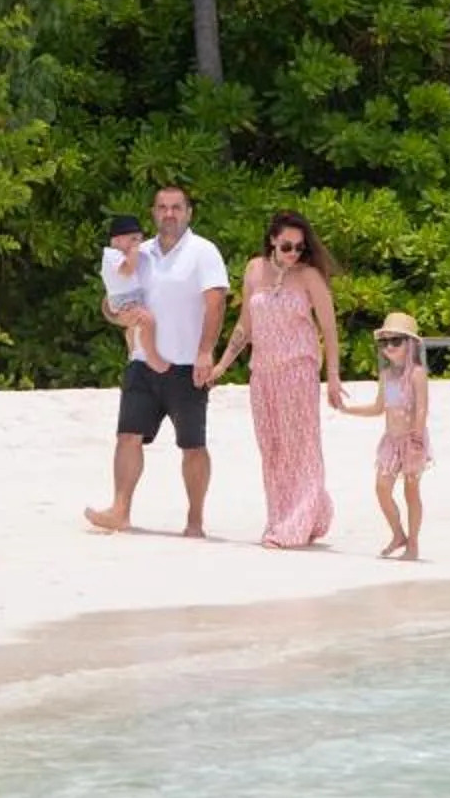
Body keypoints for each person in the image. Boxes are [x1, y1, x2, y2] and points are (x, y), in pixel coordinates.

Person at [85, 185, 229, 537]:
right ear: (153, 213)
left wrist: (205, 352)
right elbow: (112, 302)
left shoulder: (203, 252)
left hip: (186, 364)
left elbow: (216, 303)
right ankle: (120, 510)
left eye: (176, 207)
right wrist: (119, 317)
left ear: (189, 212)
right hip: (141, 362)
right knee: (127, 436)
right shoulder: (139, 252)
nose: (169, 214)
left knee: (193, 445)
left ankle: (195, 520)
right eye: (162, 207)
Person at [211, 212, 344, 549]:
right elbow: (245, 327)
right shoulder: (254, 269)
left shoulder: (309, 276)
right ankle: (288, 516)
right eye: (287, 246)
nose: (293, 253)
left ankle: (295, 524)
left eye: (299, 247)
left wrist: (332, 376)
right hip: (262, 374)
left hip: (298, 371)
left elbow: (328, 329)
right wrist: (221, 366)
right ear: (272, 240)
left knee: (301, 448)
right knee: (271, 449)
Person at [335, 310, 434, 561]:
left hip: (412, 439)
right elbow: (379, 409)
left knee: (411, 493)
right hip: (390, 441)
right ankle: (398, 534)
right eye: (385, 342)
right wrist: (348, 410)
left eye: (396, 341)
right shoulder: (387, 375)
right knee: (382, 488)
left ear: (410, 345)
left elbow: (421, 408)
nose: (389, 346)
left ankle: (413, 544)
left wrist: (417, 438)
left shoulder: (417, 374)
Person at [98, 214, 166, 372]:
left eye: (138, 239)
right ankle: (151, 356)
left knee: (135, 327)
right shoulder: (112, 255)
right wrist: (134, 252)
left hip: (131, 298)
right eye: (133, 239)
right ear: (117, 240)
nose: (137, 243)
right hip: (125, 300)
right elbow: (128, 270)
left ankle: (134, 352)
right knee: (146, 320)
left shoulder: (125, 254)